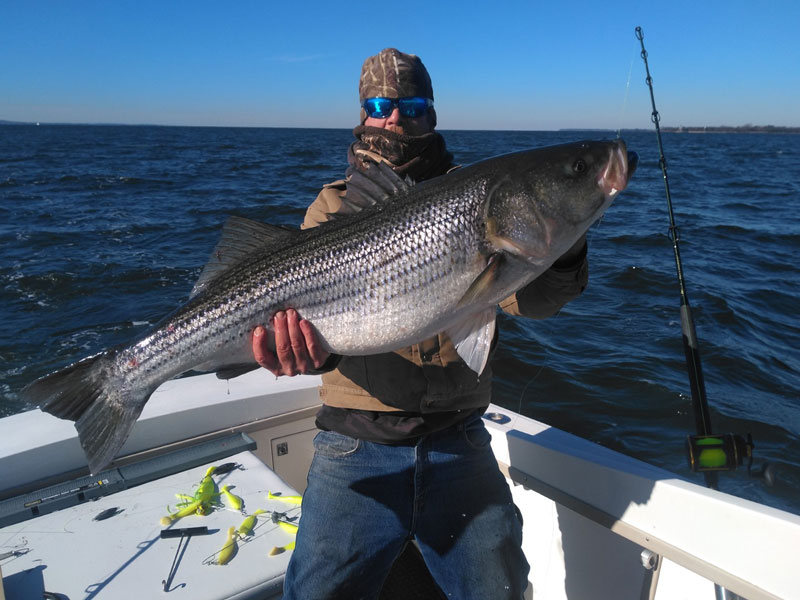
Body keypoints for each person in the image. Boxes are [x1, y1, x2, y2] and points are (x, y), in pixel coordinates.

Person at [252, 48, 589, 599]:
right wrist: (309, 351)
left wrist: (565, 243)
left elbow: (530, 303)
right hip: (355, 445)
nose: (396, 118)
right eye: (381, 105)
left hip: (459, 440)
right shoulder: (332, 208)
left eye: (411, 105)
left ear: (431, 114)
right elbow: (314, 328)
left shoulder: (483, 198)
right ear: (363, 114)